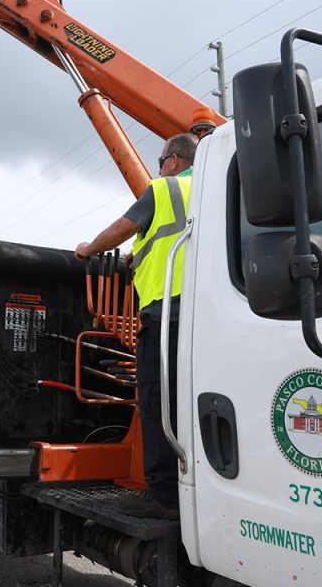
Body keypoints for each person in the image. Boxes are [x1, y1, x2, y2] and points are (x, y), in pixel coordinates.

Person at [75, 133, 197, 519]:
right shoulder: (219, 187)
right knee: (189, 404)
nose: (159, 168)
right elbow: (167, 240)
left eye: (161, 161)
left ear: (175, 161)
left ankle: (163, 496)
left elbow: (124, 226)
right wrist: (135, 259)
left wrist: (88, 248)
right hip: (205, 314)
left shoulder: (167, 188)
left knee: (156, 403)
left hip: (165, 316)